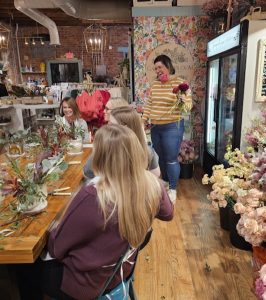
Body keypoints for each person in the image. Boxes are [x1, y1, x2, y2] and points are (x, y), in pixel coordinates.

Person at [15, 124, 173, 300]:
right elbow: (168, 214)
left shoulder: (94, 196)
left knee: (23, 265)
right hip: (118, 270)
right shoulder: (152, 186)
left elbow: (56, 247)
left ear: (100, 156)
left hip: (87, 284)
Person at [142, 54, 192, 203]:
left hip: (172, 127)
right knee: (160, 158)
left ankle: (173, 189)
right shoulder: (155, 85)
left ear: (168, 66)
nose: (157, 70)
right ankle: (164, 184)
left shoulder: (180, 83)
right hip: (156, 127)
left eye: (160, 67)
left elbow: (188, 106)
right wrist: (143, 120)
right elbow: (150, 105)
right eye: (155, 68)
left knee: (170, 159)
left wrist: (183, 100)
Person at [84, 106, 160, 178]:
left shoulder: (106, 150)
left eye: (111, 124)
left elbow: (87, 172)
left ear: (125, 127)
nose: (108, 126)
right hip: (139, 190)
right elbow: (155, 175)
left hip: (111, 190)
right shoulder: (148, 151)